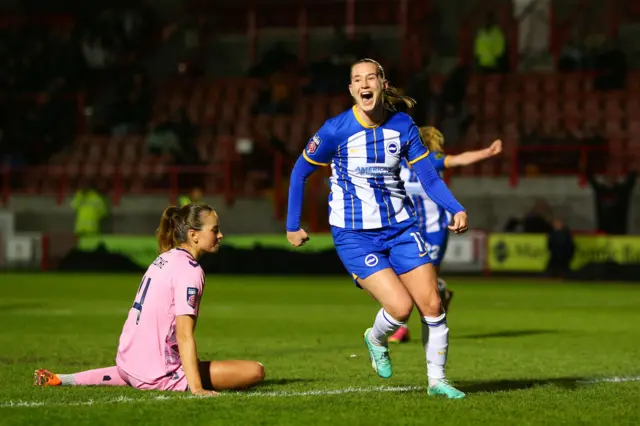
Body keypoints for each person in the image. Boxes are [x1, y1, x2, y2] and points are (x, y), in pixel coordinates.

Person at [286, 58, 468, 399]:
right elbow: (299, 172)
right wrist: (292, 225)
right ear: (352, 90)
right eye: (358, 79)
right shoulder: (335, 130)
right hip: (355, 236)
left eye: (371, 77)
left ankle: (438, 381)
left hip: (401, 228)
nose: (364, 83)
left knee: (432, 303)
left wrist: (454, 207)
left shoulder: (403, 126)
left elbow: (428, 176)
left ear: (383, 84)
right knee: (400, 309)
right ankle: (375, 338)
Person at [34, 204, 265, 396]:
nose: (220, 235)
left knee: (182, 362)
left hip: (127, 362)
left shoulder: (164, 258)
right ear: (194, 235)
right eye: (215, 230)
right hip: (155, 372)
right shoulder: (190, 270)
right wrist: (197, 388)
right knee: (255, 371)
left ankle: (65, 379)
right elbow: (184, 335)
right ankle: (181, 378)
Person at [390, 126, 502, 343]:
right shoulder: (397, 164)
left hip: (434, 230)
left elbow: (458, 160)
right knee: (402, 278)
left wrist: (487, 152)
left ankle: (434, 299)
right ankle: (404, 326)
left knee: (424, 282)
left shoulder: (431, 160)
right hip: (409, 229)